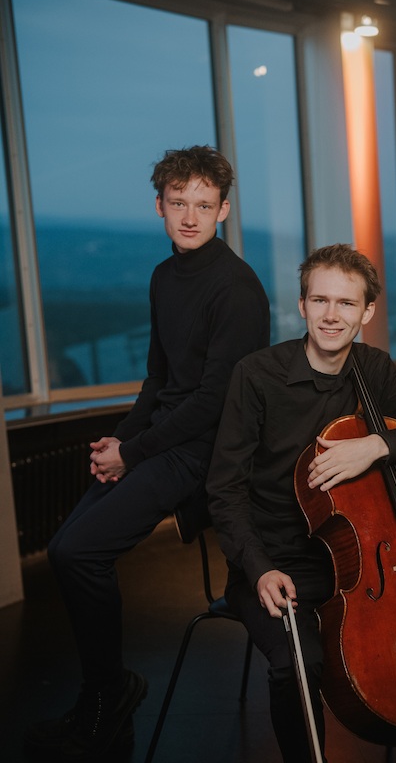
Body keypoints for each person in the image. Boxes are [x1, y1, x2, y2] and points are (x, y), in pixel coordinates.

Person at [25, 145, 270, 760]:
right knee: (64, 549)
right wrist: (123, 439)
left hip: (201, 453)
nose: (190, 216)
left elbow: (213, 402)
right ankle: (105, 692)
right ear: (159, 205)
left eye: (204, 206)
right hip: (162, 439)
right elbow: (158, 379)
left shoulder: (237, 289)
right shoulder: (164, 277)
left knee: (80, 551)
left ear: (224, 211)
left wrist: (133, 454)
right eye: (178, 202)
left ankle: (107, 699)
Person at [207, 243, 396, 763]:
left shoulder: (375, 370)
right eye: (320, 300)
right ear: (302, 305)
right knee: (297, 665)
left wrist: (376, 445)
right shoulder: (256, 375)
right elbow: (224, 489)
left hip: (366, 564)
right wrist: (258, 569)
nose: (331, 315)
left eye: (346, 303)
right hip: (280, 563)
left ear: (366, 312)